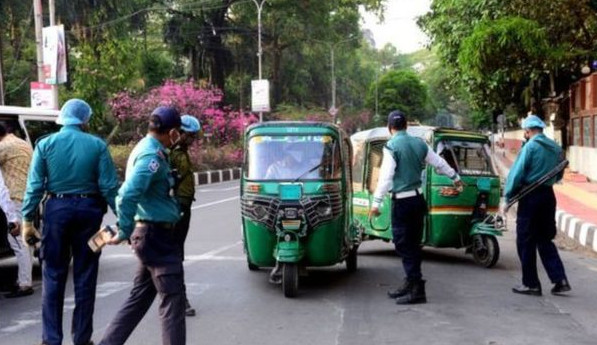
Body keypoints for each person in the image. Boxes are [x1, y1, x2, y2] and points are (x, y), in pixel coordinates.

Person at [21, 98, 120, 345]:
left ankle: (51, 340)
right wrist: (126, 219)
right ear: (84, 120)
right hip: (89, 213)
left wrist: (26, 220)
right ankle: (82, 339)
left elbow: (34, 186)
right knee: (86, 276)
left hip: (56, 212)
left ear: (62, 119)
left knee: (53, 275)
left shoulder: (45, 144)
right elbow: (109, 187)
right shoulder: (97, 145)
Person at [100, 106, 185, 345]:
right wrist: (123, 230)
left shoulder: (150, 149)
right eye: (178, 132)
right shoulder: (152, 158)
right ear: (172, 132)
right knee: (173, 300)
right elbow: (127, 195)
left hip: (151, 236)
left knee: (139, 298)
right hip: (155, 237)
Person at [369, 110, 463, 305]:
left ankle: (417, 287)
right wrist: (455, 177)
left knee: (404, 245)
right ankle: (410, 283)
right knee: (413, 244)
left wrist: (376, 204)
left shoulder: (391, 147)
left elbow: (385, 178)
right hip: (418, 201)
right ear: (406, 126)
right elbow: (439, 163)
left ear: (389, 128)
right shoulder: (420, 144)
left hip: (402, 203)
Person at [505, 114, 570, 296]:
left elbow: (517, 174)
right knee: (544, 239)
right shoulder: (556, 148)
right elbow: (558, 176)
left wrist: (508, 197)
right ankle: (560, 280)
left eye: (525, 130)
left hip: (530, 196)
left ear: (528, 130)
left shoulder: (531, 147)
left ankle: (531, 283)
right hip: (548, 196)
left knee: (525, 241)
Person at [170, 114, 201, 317]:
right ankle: (178, 299)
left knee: (173, 254)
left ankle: (174, 297)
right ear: (178, 133)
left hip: (183, 205)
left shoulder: (180, 151)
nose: (192, 140)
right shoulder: (168, 153)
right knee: (174, 255)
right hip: (175, 207)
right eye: (190, 136)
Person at [0, 123, 34, 298]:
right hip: (29, 196)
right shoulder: (22, 143)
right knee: (25, 241)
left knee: (17, 241)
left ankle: (25, 284)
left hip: (14, 198)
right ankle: (23, 279)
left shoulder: (3, 147)